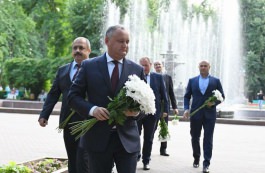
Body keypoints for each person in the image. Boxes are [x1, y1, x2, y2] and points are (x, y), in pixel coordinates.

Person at [67, 25, 145, 173]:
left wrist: (135, 113)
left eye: (127, 41)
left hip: (127, 141)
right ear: (107, 41)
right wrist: (92, 110)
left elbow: (145, 106)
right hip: (97, 140)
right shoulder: (89, 66)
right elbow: (73, 96)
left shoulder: (136, 69)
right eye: (120, 41)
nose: (125, 45)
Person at [38, 37, 91, 173]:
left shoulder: (95, 69)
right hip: (68, 122)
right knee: (72, 158)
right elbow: (53, 94)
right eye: (75, 48)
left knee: (84, 157)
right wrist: (44, 114)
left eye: (81, 48)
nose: (77, 51)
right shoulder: (63, 70)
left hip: (89, 122)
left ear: (89, 51)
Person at [183, 60, 225, 173]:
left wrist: (214, 103)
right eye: (201, 66)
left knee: (208, 139)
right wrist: (186, 109)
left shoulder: (215, 81)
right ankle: (196, 157)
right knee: (195, 137)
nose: (203, 68)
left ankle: (206, 163)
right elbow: (187, 97)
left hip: (210, 115)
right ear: (198, 67)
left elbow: (222, 96)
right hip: (196, 114)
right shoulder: (192, 81)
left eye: (205, 66)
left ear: (209, 67)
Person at [138, 57, 169, 170]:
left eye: (146, 65)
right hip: (137, 113)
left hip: (152, 113)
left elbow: (164, 95)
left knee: (149, 138)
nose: (143, 68)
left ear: (150, 65)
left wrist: (165, 110)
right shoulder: (135, 76)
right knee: (136, 135)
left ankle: (146, 160)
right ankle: (136, 155)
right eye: (141, 65)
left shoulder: (158, 77)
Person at [153, 60, 179, 156]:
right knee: (153, 128)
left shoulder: (167, 77)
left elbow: (171, 93)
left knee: (164, 128)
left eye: (159, 64)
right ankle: (148, 147)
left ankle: (163, 149)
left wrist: (175, 107)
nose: (157, 66)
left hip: (164, 107)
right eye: (156, 65)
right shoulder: (152, 77)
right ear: (154, 67)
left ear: (162, 66)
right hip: (154, 107)